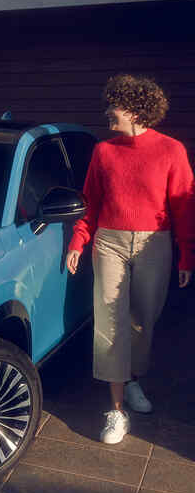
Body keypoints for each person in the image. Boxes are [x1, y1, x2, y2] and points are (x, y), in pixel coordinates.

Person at [66, 74, 195, 444]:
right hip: (109, 241)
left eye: (115, 105)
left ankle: (133, 377)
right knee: (110, 321)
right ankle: (116, 409)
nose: (108, 112)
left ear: (137, 111)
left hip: (155, 243)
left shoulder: (171, 151)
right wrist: (79, 239)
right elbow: (90, 201)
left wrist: (187, 254)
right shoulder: (104, 152)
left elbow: (184, 205)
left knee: (143, 321)